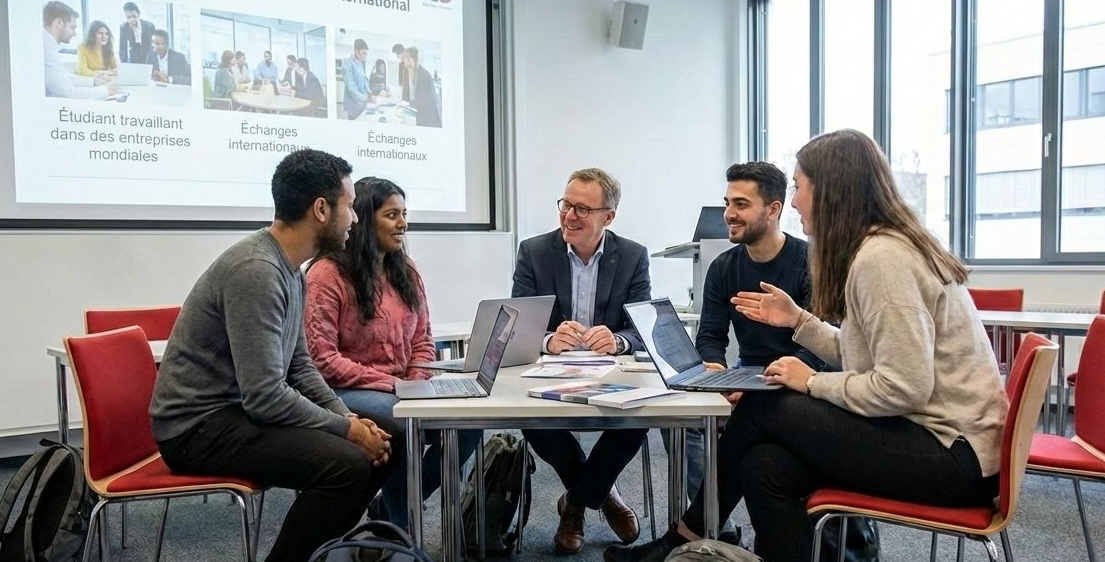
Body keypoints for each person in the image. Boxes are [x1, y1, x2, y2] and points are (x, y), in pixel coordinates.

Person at [604, 129, 1008, 562]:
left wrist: (811, 381)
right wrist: (799, 321)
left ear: (831, 190)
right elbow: (864, 355)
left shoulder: (883, 260)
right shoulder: (882, 249)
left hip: (952, 456)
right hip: (936, 439)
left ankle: (686, 533)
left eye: (799, 186)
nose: (794, 201)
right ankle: (704, 533)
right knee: (763, 466)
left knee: (763, 405)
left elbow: (903, 387)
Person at [150, 149, 400, 562]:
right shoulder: (257, 270)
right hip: (196, 429)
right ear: (321, 209)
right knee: (347, 464)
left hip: (235, 414)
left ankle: (319, 551)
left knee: (391, 437)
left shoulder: (291, 269)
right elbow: (264, 396)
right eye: (350, 207)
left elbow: (299, 365)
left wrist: (347, 417)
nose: (355, 219)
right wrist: (349, 431)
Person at [305, 177, 482, 531]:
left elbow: (423, 340)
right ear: (363, 219)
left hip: (403, 387)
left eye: (404, 214)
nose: (403, 223)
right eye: (392, 215)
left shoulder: (407, 270)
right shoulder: (326, 274)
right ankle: (400, 534)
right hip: (345, 391)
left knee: (468, 423)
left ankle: (389, 511)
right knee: (405, 424)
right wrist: (393, 385)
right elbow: (322, 359)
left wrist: (416, 381)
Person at [661, 161, 813, 543]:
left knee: (754, 433)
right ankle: (716, 530)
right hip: (747, 374)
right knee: (679, 419)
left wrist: (761, 384)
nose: (729, 213)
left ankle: (691, 532)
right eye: (728, 203)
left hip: (800, 381)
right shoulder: (723, 267)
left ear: (774, 210)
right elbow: (711, 335)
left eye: (741, 204)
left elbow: (820, 349)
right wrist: (716, 368)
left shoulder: (809, 264)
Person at [513, 167, 651, 555]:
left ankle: (575, 502)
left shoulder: (633, 256)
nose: (569, 216)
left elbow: (642, 329)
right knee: (530, 418)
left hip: (613, 373)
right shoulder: (534, 252)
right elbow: (520, 324)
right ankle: (603, 494)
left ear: (608, 217)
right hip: (549, 372)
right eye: (566, 205)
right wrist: (548, 339)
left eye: (582, 209)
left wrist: (619, 341)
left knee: (640, 416)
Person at [43, 1, 119, 99]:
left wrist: (95, 81)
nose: (75, 33)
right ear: (58, 23)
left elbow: (65, 77)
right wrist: (106, 90)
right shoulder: (46, 48)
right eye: (72, 28)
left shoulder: (47, 44)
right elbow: (68, 93)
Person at [399, 47, 441, 128]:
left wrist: (407, 104)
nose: (407, 67)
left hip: (429, 120)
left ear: (414, 60)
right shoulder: (412, 73)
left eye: (407, 61)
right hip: (419, 114)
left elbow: (424, 101)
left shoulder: (424, 76)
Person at [342, 39, 370, 120]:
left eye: (366, 53)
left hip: (362, 104)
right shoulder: (348, 64)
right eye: (364, 53)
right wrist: (365, 98)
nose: (365, 56)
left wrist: (370, 93)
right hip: (353, 105)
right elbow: (351, 87)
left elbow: (364, 80)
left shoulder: (361, 63)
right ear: (356, 51)